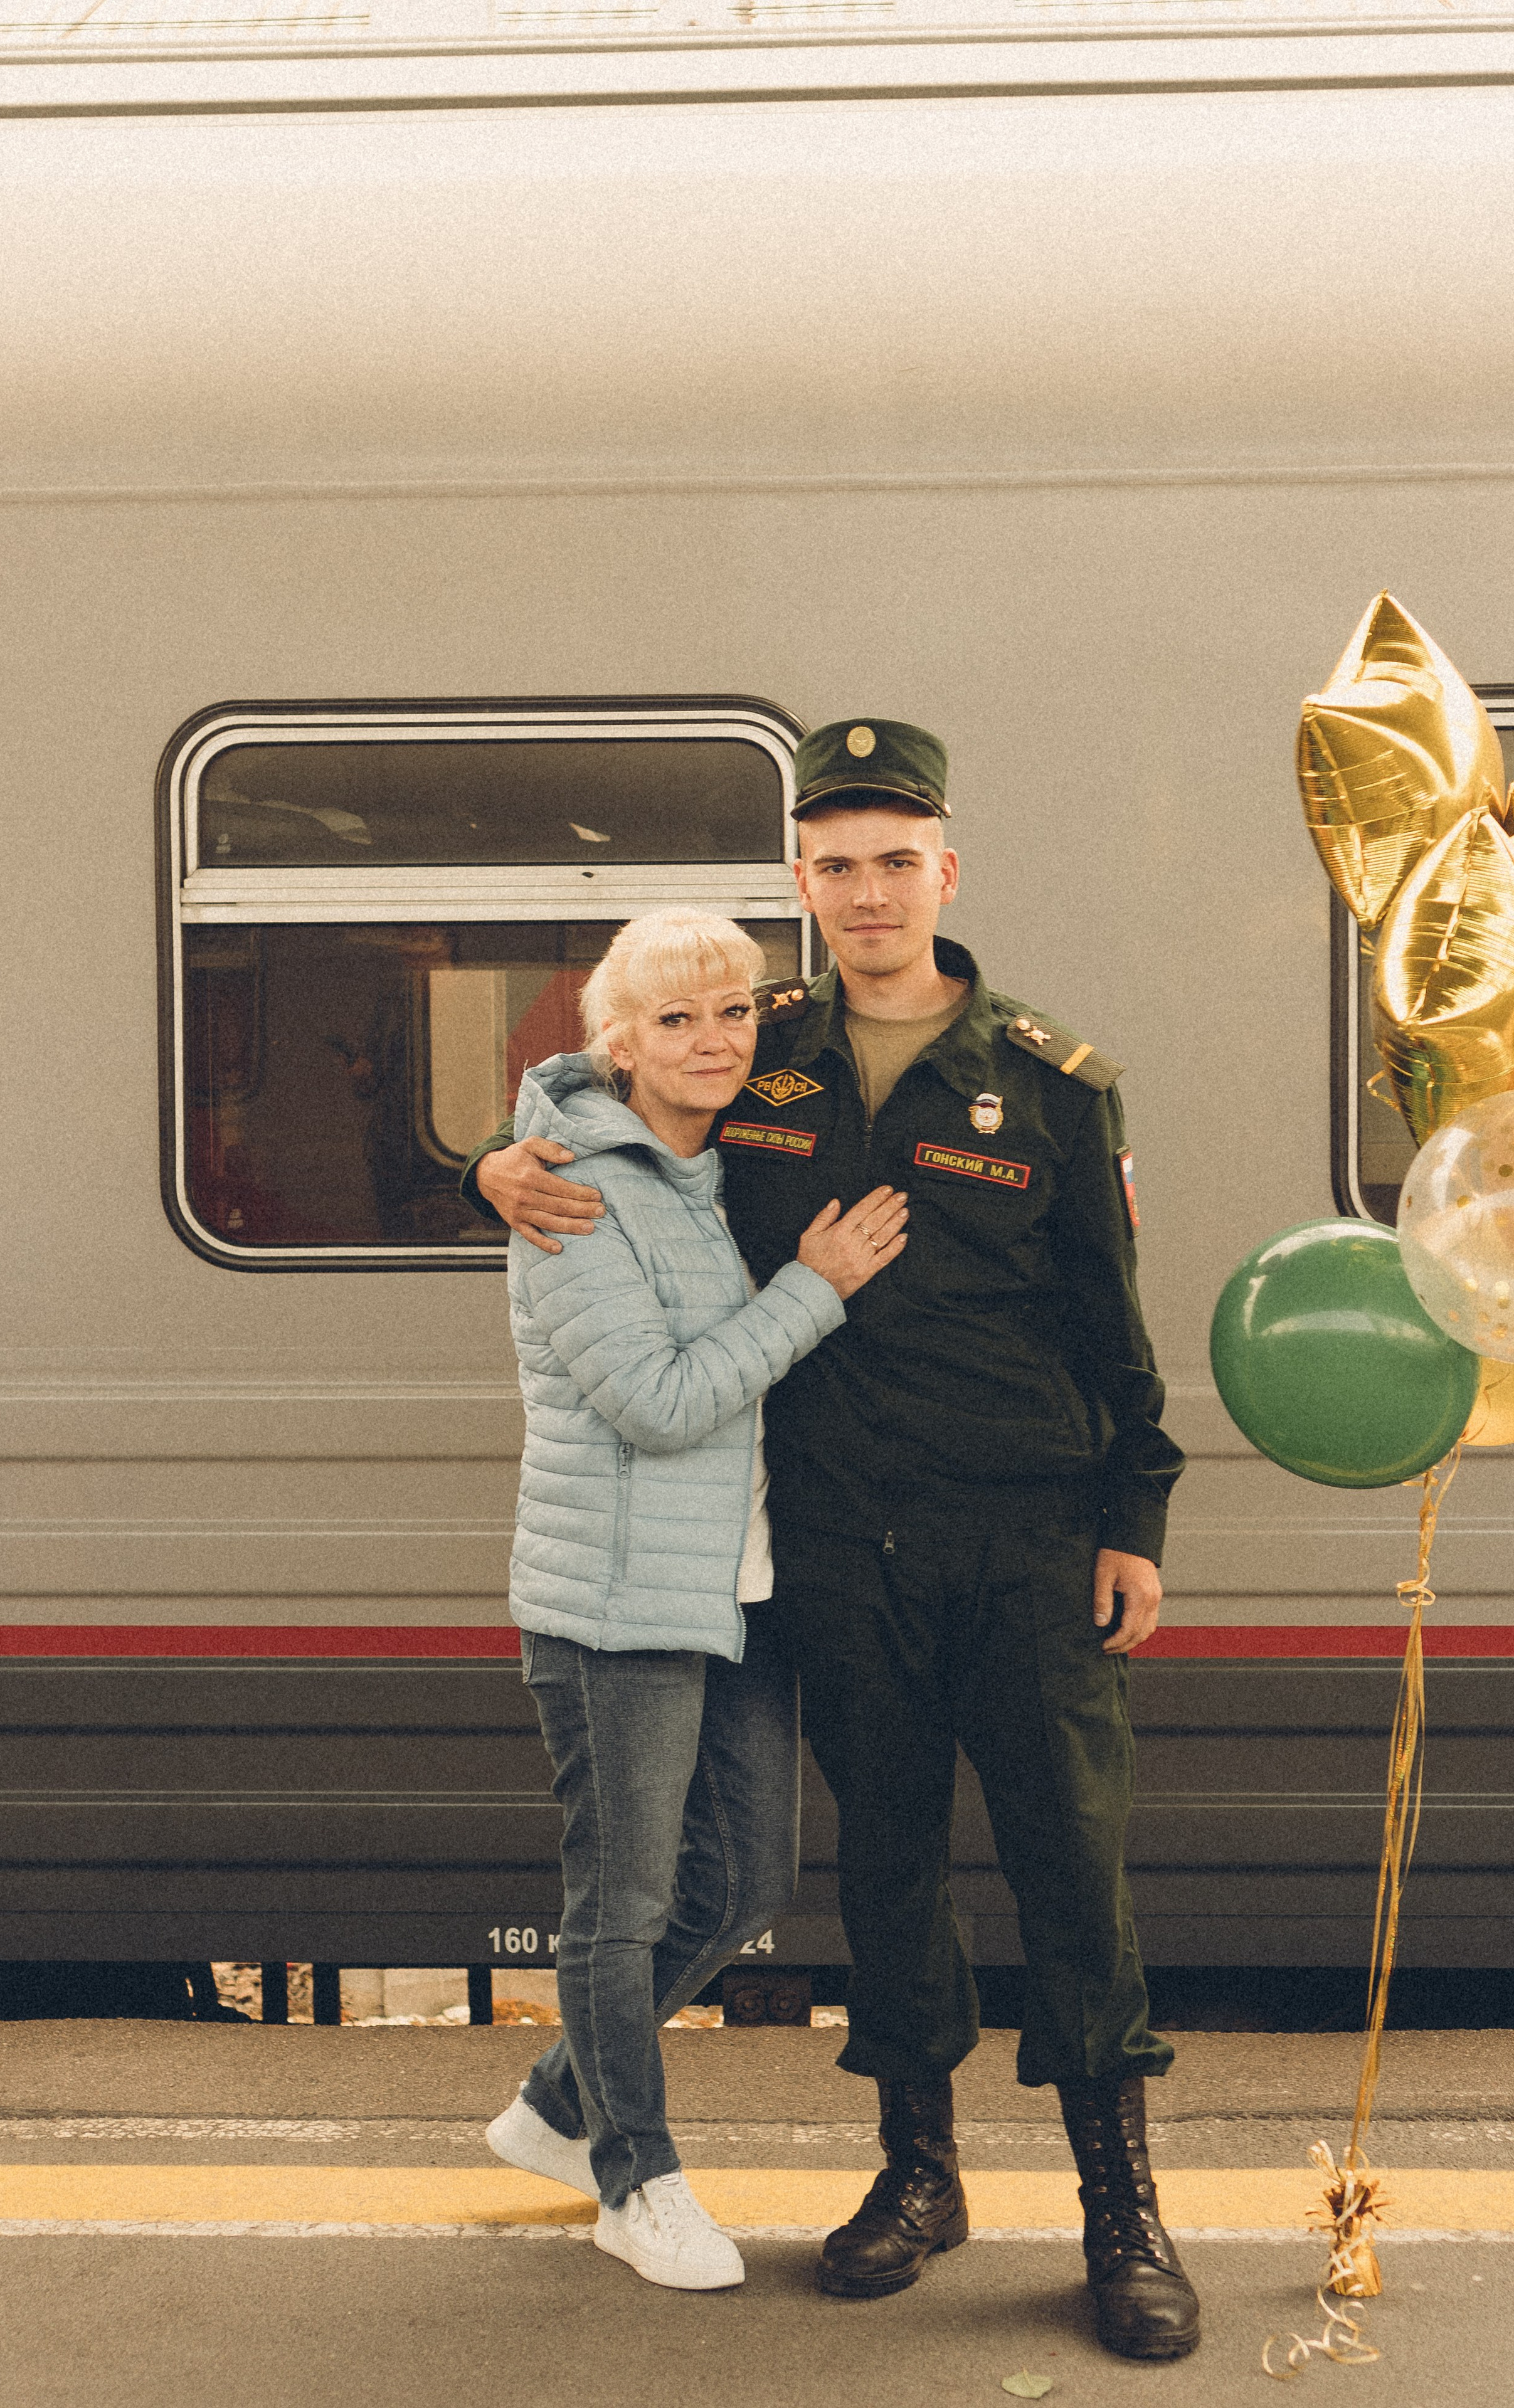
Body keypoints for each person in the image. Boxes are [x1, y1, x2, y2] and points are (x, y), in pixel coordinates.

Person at [467, 722, 1200, 2362]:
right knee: (884, 1878)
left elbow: (1110, 1322)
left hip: (1022, 1542)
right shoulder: (760, 1048)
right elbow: (599, 1094)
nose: (868, 891)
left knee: (1073, 1872)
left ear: (946, 869)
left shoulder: (1052, 1078)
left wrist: (1133, 1520)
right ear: (803, 881)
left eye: (897, 857)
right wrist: (490, 1165)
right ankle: (918, 2177)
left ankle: (1120, 2211)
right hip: (836, 1555)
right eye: (837, 862)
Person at [482, 906, 907, 2294]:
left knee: (743, 1882)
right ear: (615, 1042)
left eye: (731, 1010)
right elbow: (658, 1404)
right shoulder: (567, 1191)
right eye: (675, 1019)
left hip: (735, 1588)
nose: (713, 1038)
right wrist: (814, 1289)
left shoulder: (724, 1165)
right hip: (614, 1604)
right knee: (622, 1902)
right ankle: (633, 2181)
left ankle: (555, 2107)